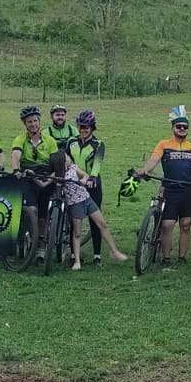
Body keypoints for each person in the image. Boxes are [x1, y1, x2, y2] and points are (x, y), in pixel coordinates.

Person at [134, 105, 191, 268]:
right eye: (179, 126)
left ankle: (182, 257)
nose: (182, 129)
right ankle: (166, 258)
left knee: (186, 225)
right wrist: (145, 170)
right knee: (167, 225)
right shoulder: (164, 145)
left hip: (188, 190)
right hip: (170, 189)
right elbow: (153, 160)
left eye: (185, 127)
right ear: (173, 127)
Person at [48, 150, 126, 269]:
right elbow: (44, 183)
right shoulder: (57, 175)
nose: (69, 158)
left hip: (87, 200)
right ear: (62, 161)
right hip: (75, 205)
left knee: (102, 224)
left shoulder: (74, 168)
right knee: (77, 233)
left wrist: (84, 180)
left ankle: (114, 251)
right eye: (67, 157)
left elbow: (85, 175)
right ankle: (77, 261)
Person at [10, 105, 56, 241]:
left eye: (35, 121)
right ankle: (31, 235)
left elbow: (55, 161)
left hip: (45, 176)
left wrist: (52, 176)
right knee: (32, 210)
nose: (33, 124)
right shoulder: (20, 139)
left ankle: (41, 242)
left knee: (43, 216)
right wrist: (16, 170)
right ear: (25, 124)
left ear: (39, 121)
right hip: (28, 176)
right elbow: (15, 155)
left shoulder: (50, 141)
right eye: (29, 122)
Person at [67, 110, 108, 263]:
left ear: (92, 127)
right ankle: (73, 254)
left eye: (86, 127)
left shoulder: (98, 144)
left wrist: (92, 177)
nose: (83, 130)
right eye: (81, 127)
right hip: (74, 184)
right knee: (74, 220)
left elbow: (97, 164)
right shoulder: (71, 142)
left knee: (94, 220)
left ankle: (97, 255)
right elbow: (67, 160)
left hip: (92, 184)